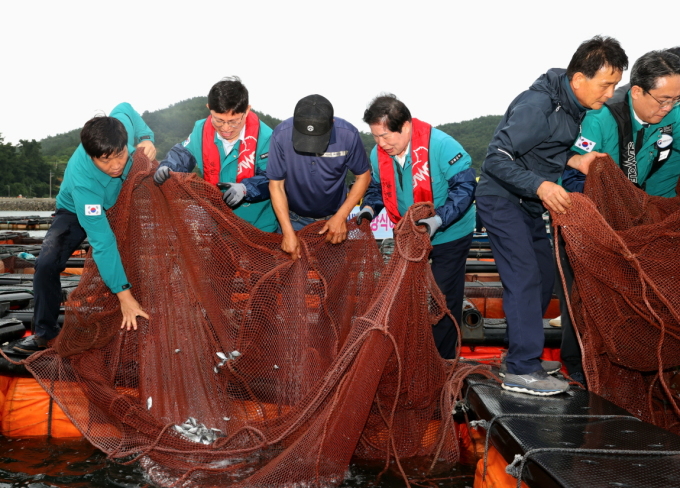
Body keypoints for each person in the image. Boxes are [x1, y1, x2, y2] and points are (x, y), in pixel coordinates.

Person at [475, 36, 629, 395]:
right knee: (525, 276)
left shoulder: (573, 107)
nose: (609, 93)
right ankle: (521, 369)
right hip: (500, 197)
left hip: (526, 200)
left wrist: (575, 160)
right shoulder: (539, 105)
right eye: (606, 84)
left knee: (544, 277)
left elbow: (540, 152)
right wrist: (542, 186)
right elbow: (496, 159)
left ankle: (520, 353)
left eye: (615, 85)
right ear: (579, 79)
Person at [558, 49, 680, 383]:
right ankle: (583, 372)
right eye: (663, 100)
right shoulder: (602, 119)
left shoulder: (676, 115)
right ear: (637, 91)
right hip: (598, 231)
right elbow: (570, 172)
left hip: (652, 228)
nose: (668, 108)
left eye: (676, 100)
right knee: (585, 301)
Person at [13, 103, 155, 355]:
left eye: (120, 156)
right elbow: (102, 241)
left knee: (140, 256)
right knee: (46, 264)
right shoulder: (84, 184)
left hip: (121, 200)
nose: (115, 166)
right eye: (105, 160)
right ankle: (45, 333)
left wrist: (146, 138)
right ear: (91, 156)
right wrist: (124, 296)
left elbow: (125, 107)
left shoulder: (119, 125)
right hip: (76, 210)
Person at [358, 94, 476, 359]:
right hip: (409, 235)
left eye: (386, 136)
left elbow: (466, 187)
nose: (381, 143)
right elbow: (378, 188)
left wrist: (439, 219)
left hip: (450, 233)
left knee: (442, 296)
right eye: (375, 137)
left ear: (407, 126)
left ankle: (441, 360)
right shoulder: (379, 154)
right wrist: (368, 209)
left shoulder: (442, 145)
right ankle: (412, 353)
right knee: (407, 295)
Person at [153, 77, 277, 232]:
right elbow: (182, 154)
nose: (226, 128)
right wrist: (167, 166)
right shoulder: (200, 130)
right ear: (209, 108)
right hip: (218, 224)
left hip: (259, 226)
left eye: (234, 121)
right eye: (218, 120)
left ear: (247, 110)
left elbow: (273, 178)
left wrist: (246, 188)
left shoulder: (266, 137)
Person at [267, 94, 371, 259]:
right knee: (290, 278)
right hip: (292, 218)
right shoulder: (281, 135)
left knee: (332, 277)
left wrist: (341, 216)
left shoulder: (348, 135)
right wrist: (287, 232)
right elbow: (276, 185)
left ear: (332, 123)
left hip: (333, 220)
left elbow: (363, 176)